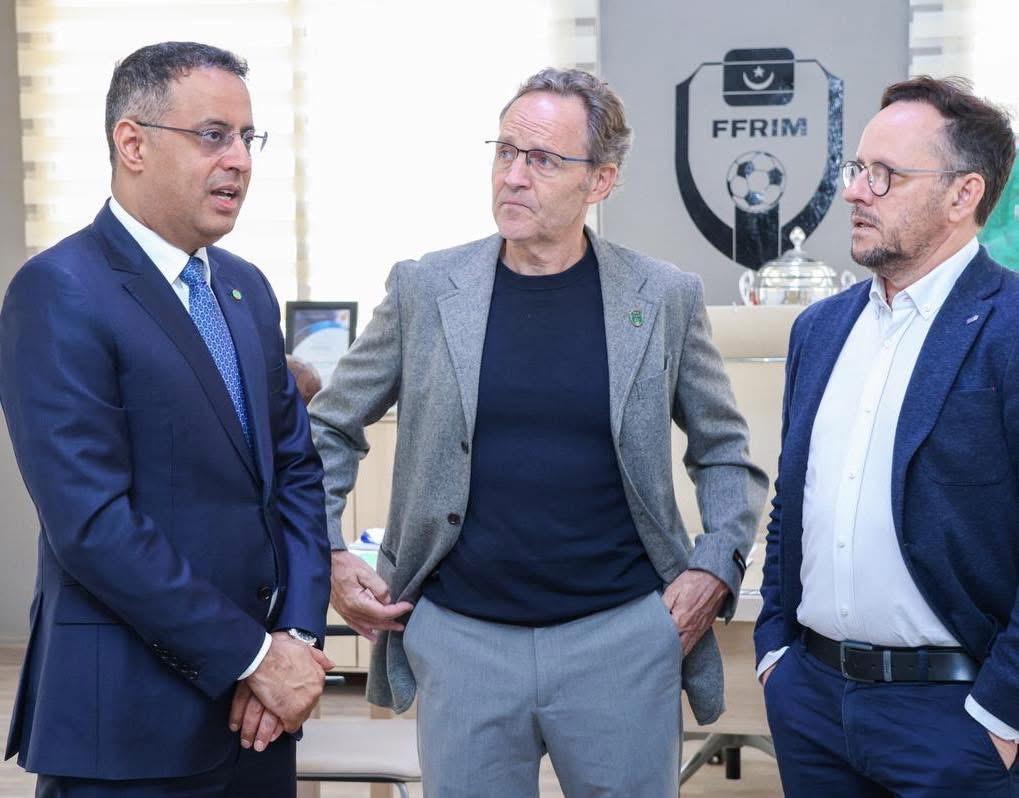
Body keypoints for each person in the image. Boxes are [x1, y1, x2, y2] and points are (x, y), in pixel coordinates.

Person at [310, 67, 767, 797]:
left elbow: (724, 452)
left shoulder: (662, 296)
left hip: (621, 638)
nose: (514, 176)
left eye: (544, 159)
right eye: (506, 151)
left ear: (600, 181)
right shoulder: (426, 289)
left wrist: (715, 565)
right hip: (461, 640)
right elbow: (329, 426)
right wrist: (327, 552)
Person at [0, 42, 333, 797]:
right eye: (213, 135)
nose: (239, 159)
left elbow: (294, 472)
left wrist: (295, 638)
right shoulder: (60, 290)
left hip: (259, 721)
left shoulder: (245, 289)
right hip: (128, 726)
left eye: (247, 137)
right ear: (132, 143)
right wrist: (253, 657)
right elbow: (93, 524)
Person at [755, 75, 1019, 797]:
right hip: (812, 702)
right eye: (856, 169)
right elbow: (793, 501)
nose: (852, 192)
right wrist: (775, 652)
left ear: (963, 194)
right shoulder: (819, 329)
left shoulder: (1008, 327)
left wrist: (1000, 715)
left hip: (954, 719)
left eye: (885, 175)